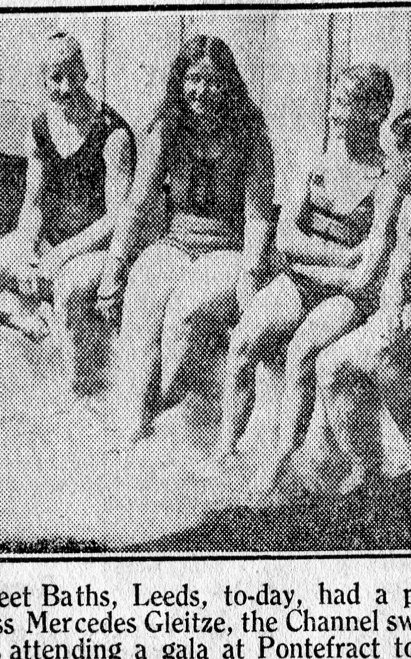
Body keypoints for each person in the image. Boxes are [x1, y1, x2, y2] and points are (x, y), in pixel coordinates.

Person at [219, 64, 404, 499]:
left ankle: (277, 463)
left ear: (376, 111)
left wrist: (323, 264)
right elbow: (285, 238)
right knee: (245, 338)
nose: (335, 112)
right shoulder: (316, 162)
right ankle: (226, 451)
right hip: (305, 280)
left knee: (302, 350)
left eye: (347, 103)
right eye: (334, 101)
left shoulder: (387, 179)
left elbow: (365, 277)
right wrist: (343, 257)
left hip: (348, 297)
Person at [95, 35, 276, 445]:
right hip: (174, 244)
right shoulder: (167, 130)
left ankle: (153, 412)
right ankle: (132, 431)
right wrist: (114, 269)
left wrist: (250, 275)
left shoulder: (251, 135)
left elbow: (259, 216)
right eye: (194, 79)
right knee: (141, 300)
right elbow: (137, 204)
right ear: (180, 81)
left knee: (185, 314)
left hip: (227, 250)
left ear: (229, 85)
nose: (202, 91)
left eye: (213, 82)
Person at [0, 31, 136, 393]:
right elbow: (33, 203)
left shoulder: (112, 133)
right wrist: (26, 251)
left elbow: (118, 218)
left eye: (73, 74)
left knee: (68, 288)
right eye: (56, 77)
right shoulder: (40, 127)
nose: (66, 86)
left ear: (86, 73)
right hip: (50, 242)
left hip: (95, 247)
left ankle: (77, 389)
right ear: (43, 81)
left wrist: (63, 254)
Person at [315, 105, 411, 482]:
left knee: (381, 352)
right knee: (330, 364)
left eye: (396, 154)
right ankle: (368, 468)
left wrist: (393, 327)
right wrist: (391, 312)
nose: (389, 162)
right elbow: (396, 272)